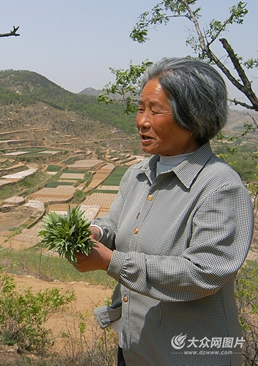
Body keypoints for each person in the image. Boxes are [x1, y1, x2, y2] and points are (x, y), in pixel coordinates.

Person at [73, 58, 254, 365]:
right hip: (136, 347)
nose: (141, 120)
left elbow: (203, 272)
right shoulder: (139, 174)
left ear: (192, 117)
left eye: (155, 110)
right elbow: (115, 223)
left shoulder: (220, 186)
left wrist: (110, 262)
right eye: (140, 108)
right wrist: (96, 232)